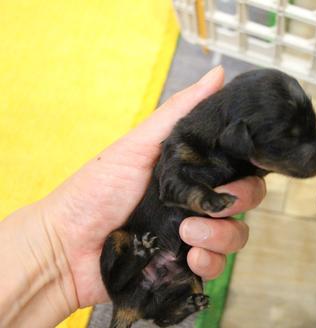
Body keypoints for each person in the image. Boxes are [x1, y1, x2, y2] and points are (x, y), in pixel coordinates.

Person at [0, 66, 266, 327]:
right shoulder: (204, 134)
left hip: (146, 272)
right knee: (175, 268)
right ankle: (173, 311)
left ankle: (169, 312)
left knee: (192, 266)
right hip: (131, 275)